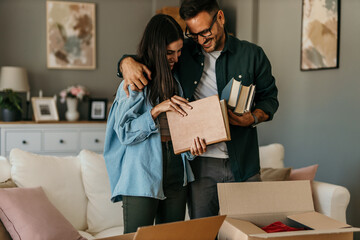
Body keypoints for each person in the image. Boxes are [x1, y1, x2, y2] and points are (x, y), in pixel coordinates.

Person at [117, 0, 279, 219]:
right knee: (202, 233)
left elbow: (269, 99)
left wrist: (252, 118)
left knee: (249, 230)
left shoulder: (252, 55)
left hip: (244, 162)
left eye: (205, 32)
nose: (201, 40)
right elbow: (153, 56)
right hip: (200, 164)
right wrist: (124, 62)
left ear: (220, 18)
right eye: (193, 35)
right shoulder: (184, 52)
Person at [103, 14, 207, 234]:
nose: (176, 58)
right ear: (156, 49)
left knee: (170, 237)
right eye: (170, 53)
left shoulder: (176, 81)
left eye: (179, 52)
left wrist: (193, 149)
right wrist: (157, 110)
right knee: (136, 238)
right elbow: (125, 133)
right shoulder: (134, 83)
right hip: (141, 172)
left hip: (177, 171)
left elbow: (181, 130)